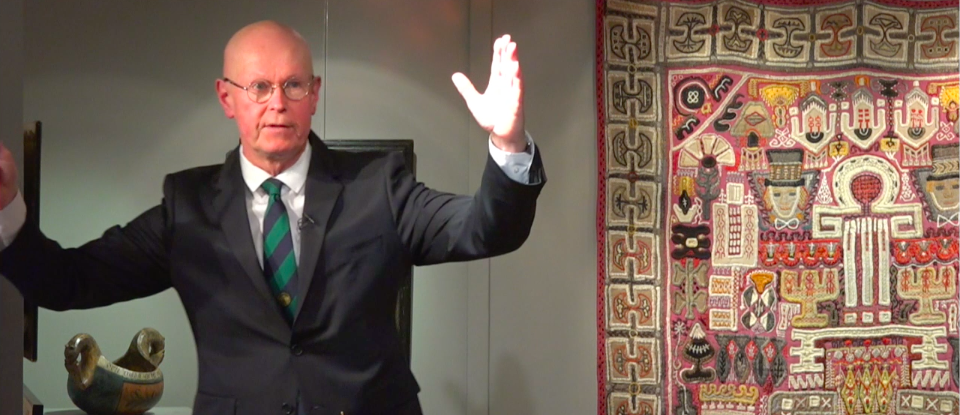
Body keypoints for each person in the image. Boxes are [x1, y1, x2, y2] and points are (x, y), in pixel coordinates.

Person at [0, 21, 545, 415]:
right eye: (258, 87)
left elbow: (484, 228)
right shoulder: (187, 207)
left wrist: (507, 143)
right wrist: (6, 209)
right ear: (227, 98)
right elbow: (68, 281)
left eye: (293, 85)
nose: (277, 103)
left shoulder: (380, 185)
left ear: (315, 95)